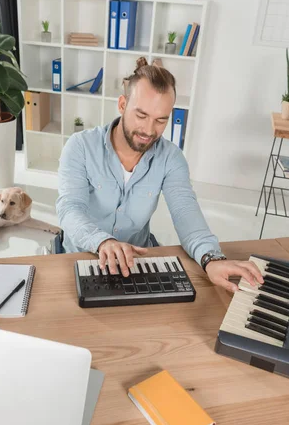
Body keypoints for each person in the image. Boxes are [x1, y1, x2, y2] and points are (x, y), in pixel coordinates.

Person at [56, 59, 263, 293]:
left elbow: (186, 213)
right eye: (141, 115)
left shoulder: (171, 158)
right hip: (80, 256)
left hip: (136, 262)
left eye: (160, 120)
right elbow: (70, 207)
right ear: (122, 104)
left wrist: (211, 259)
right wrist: (102, 241)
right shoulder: (80, 146)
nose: (149, 130)